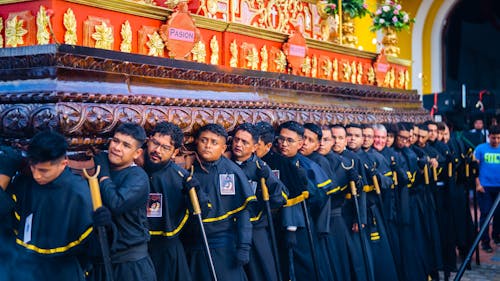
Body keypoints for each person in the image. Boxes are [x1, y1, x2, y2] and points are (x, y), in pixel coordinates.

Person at [0, 131, 95, 281]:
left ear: (63, 164)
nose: (37, 175)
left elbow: (87, 247)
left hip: (62, 269)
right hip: (25, 266)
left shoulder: (78, 192)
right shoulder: (25, 182)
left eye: (44, 170)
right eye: (33, 167)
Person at [184, 123, 256, 281]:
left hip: (222, 246)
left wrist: (244, 246)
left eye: (214, 142)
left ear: (223, 148)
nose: (207, 146)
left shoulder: (232, 171)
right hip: (192, 245)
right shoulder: (187, 167)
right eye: (204, 140)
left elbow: (243, 214)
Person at [91, 123, 156, 281]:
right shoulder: (100, 168)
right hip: (101, 263)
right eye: (115, 141)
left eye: (126, 145)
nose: (117, 148)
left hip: (131, 267)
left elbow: (116, 203)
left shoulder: (138, 177)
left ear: (137, 153)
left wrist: (103, 175)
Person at [143, 122, 208, 281]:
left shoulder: (181, 177)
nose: (157, 150)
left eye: (165, 148)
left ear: (175, 152)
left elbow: (204, 210)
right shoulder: (133, 166)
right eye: (155, 143)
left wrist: (196, 193)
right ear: (148, 140)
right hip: (138, 249)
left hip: (167, 249)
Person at [229, 123, 287, 281]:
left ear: (255, 147)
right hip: (230, 229)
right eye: (236, 140)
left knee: (261, 273)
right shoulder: (225, 163)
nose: (238, 145)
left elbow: (282, 195)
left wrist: (263, 197)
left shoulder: (260, 167)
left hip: (255, 229)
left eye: (244, 142)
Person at [474, 125, 500, 252]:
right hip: (485, 187)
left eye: (498, 138)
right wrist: (478, 184)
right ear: (488, 136)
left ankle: (497, 236)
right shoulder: (480, 149)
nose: (496, 140)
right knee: (485, 214)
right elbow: (475, 169)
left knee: (499, 215)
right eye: (493, 137)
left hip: (498, 187)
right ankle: (485, 242)